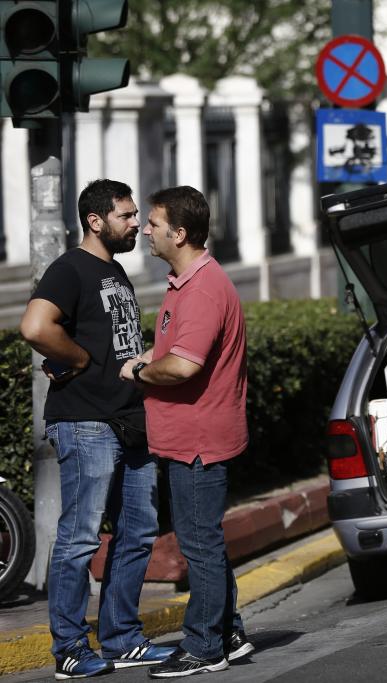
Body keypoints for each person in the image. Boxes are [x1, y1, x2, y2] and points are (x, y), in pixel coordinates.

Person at [19, 179, 176, 677]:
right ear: (96, 221)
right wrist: (79, 357)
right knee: (81, 537)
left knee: (138, 532)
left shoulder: (114, 272)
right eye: (127, 216)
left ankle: (121, 638)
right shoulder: (70, 269)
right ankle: (69, 647)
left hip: (129, 419)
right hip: (86, 421)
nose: (136, 224)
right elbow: (35, 327)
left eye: (135, 216)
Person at [118, 186, 254, 677]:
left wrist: (137, 373)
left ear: (179, 233)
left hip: (198, 439)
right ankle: (229, 632)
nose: (145, 230)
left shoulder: (201, 290)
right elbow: (171, 353)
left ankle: (203, 646)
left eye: (153, 224)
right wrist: (146, 359)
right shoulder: (187, 282)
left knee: (198, 546)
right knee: (205, 542)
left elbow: (182, 367)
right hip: (189, 435)